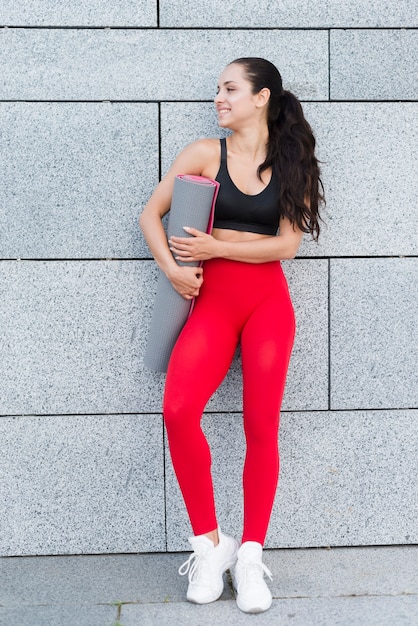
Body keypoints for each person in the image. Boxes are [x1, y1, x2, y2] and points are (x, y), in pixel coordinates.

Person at [140, 57, 324, 614]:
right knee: (178, 411)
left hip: (268, 305)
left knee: (260, 426)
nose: (219, 98)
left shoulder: (292, 161)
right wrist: (172, 268)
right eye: (218, 90)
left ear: (262, 97)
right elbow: (152, 214)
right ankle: (209, 546)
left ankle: (249, 556)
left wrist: (218, 247)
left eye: (229, 89)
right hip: (213, 305)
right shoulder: (203, 153)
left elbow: (286, 246)